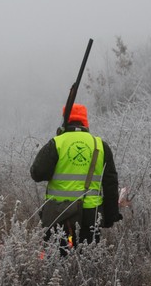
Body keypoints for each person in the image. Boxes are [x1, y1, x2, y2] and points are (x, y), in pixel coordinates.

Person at [30, 103, 122, 255]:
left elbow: (37, 174)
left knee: (55, 262)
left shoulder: (57, 143)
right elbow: (110, 184)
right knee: (88, 261)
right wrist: (110, 216)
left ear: (64, 120)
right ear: (85, 122)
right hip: (90, 215)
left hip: (59, 214)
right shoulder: (100, 145)